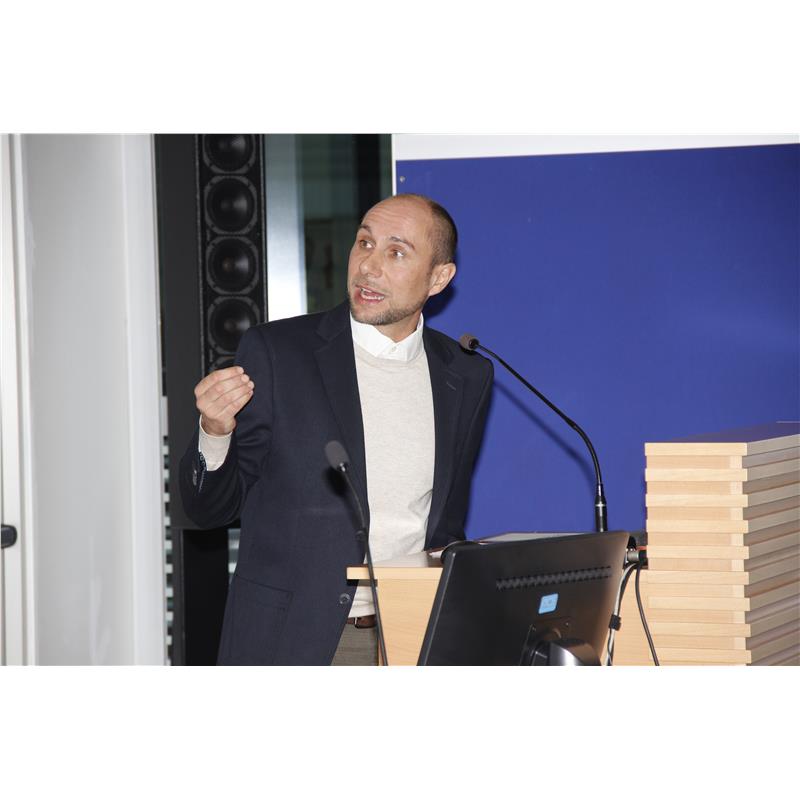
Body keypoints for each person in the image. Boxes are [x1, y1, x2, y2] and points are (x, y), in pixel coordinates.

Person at [179, 193, 493, 665]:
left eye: (396, 252)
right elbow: (209, 510)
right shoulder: (280, 353)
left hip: (413, 633)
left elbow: (444, 519)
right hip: (296, 639)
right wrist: (215, 431)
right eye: (364, 243)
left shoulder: (465, 373)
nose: (368, 266)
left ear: (438, 278)